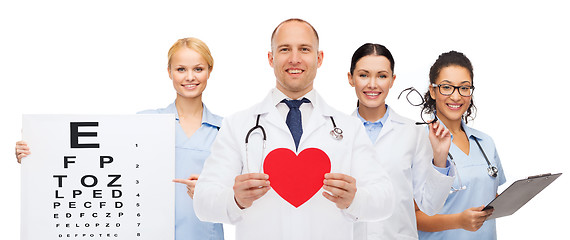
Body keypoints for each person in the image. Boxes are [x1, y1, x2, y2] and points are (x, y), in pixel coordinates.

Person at [193, 18, 394, 240]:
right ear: (271, 58)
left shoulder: (349, 128)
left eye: (304, 49)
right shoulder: (238, 125)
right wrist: (235, 200)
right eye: (285, 49)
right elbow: (203, 202)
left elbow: (385, 200)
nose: (294, 59)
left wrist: (355, 200)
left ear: (319, 58)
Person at [15, 37, 224, 240]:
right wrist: (37, 152)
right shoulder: (145, 123)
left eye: (198, 69)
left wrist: (211, 192)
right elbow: (96, 160)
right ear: (169, 72)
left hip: (204, 233)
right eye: (181, 69)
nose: (190, 77)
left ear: (209, 71)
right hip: (148, 231)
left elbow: (238, 194)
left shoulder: (225, 130)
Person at [347, 43, 455, 240]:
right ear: (351, 78)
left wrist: (440, 158)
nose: (372, 84)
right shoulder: (337, 133)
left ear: (392, 80)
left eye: (382, 76)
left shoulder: (413, 132)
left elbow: (429, 205)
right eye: (363, 75)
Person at [415, 51, 506, 239]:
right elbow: (412, 216)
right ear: (432, 91)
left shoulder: (486, 142)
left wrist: (515, 198)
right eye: (446, 87)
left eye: (464, 88)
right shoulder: (416, 142)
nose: (456, 97)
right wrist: (459, 221)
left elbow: (487, 194)